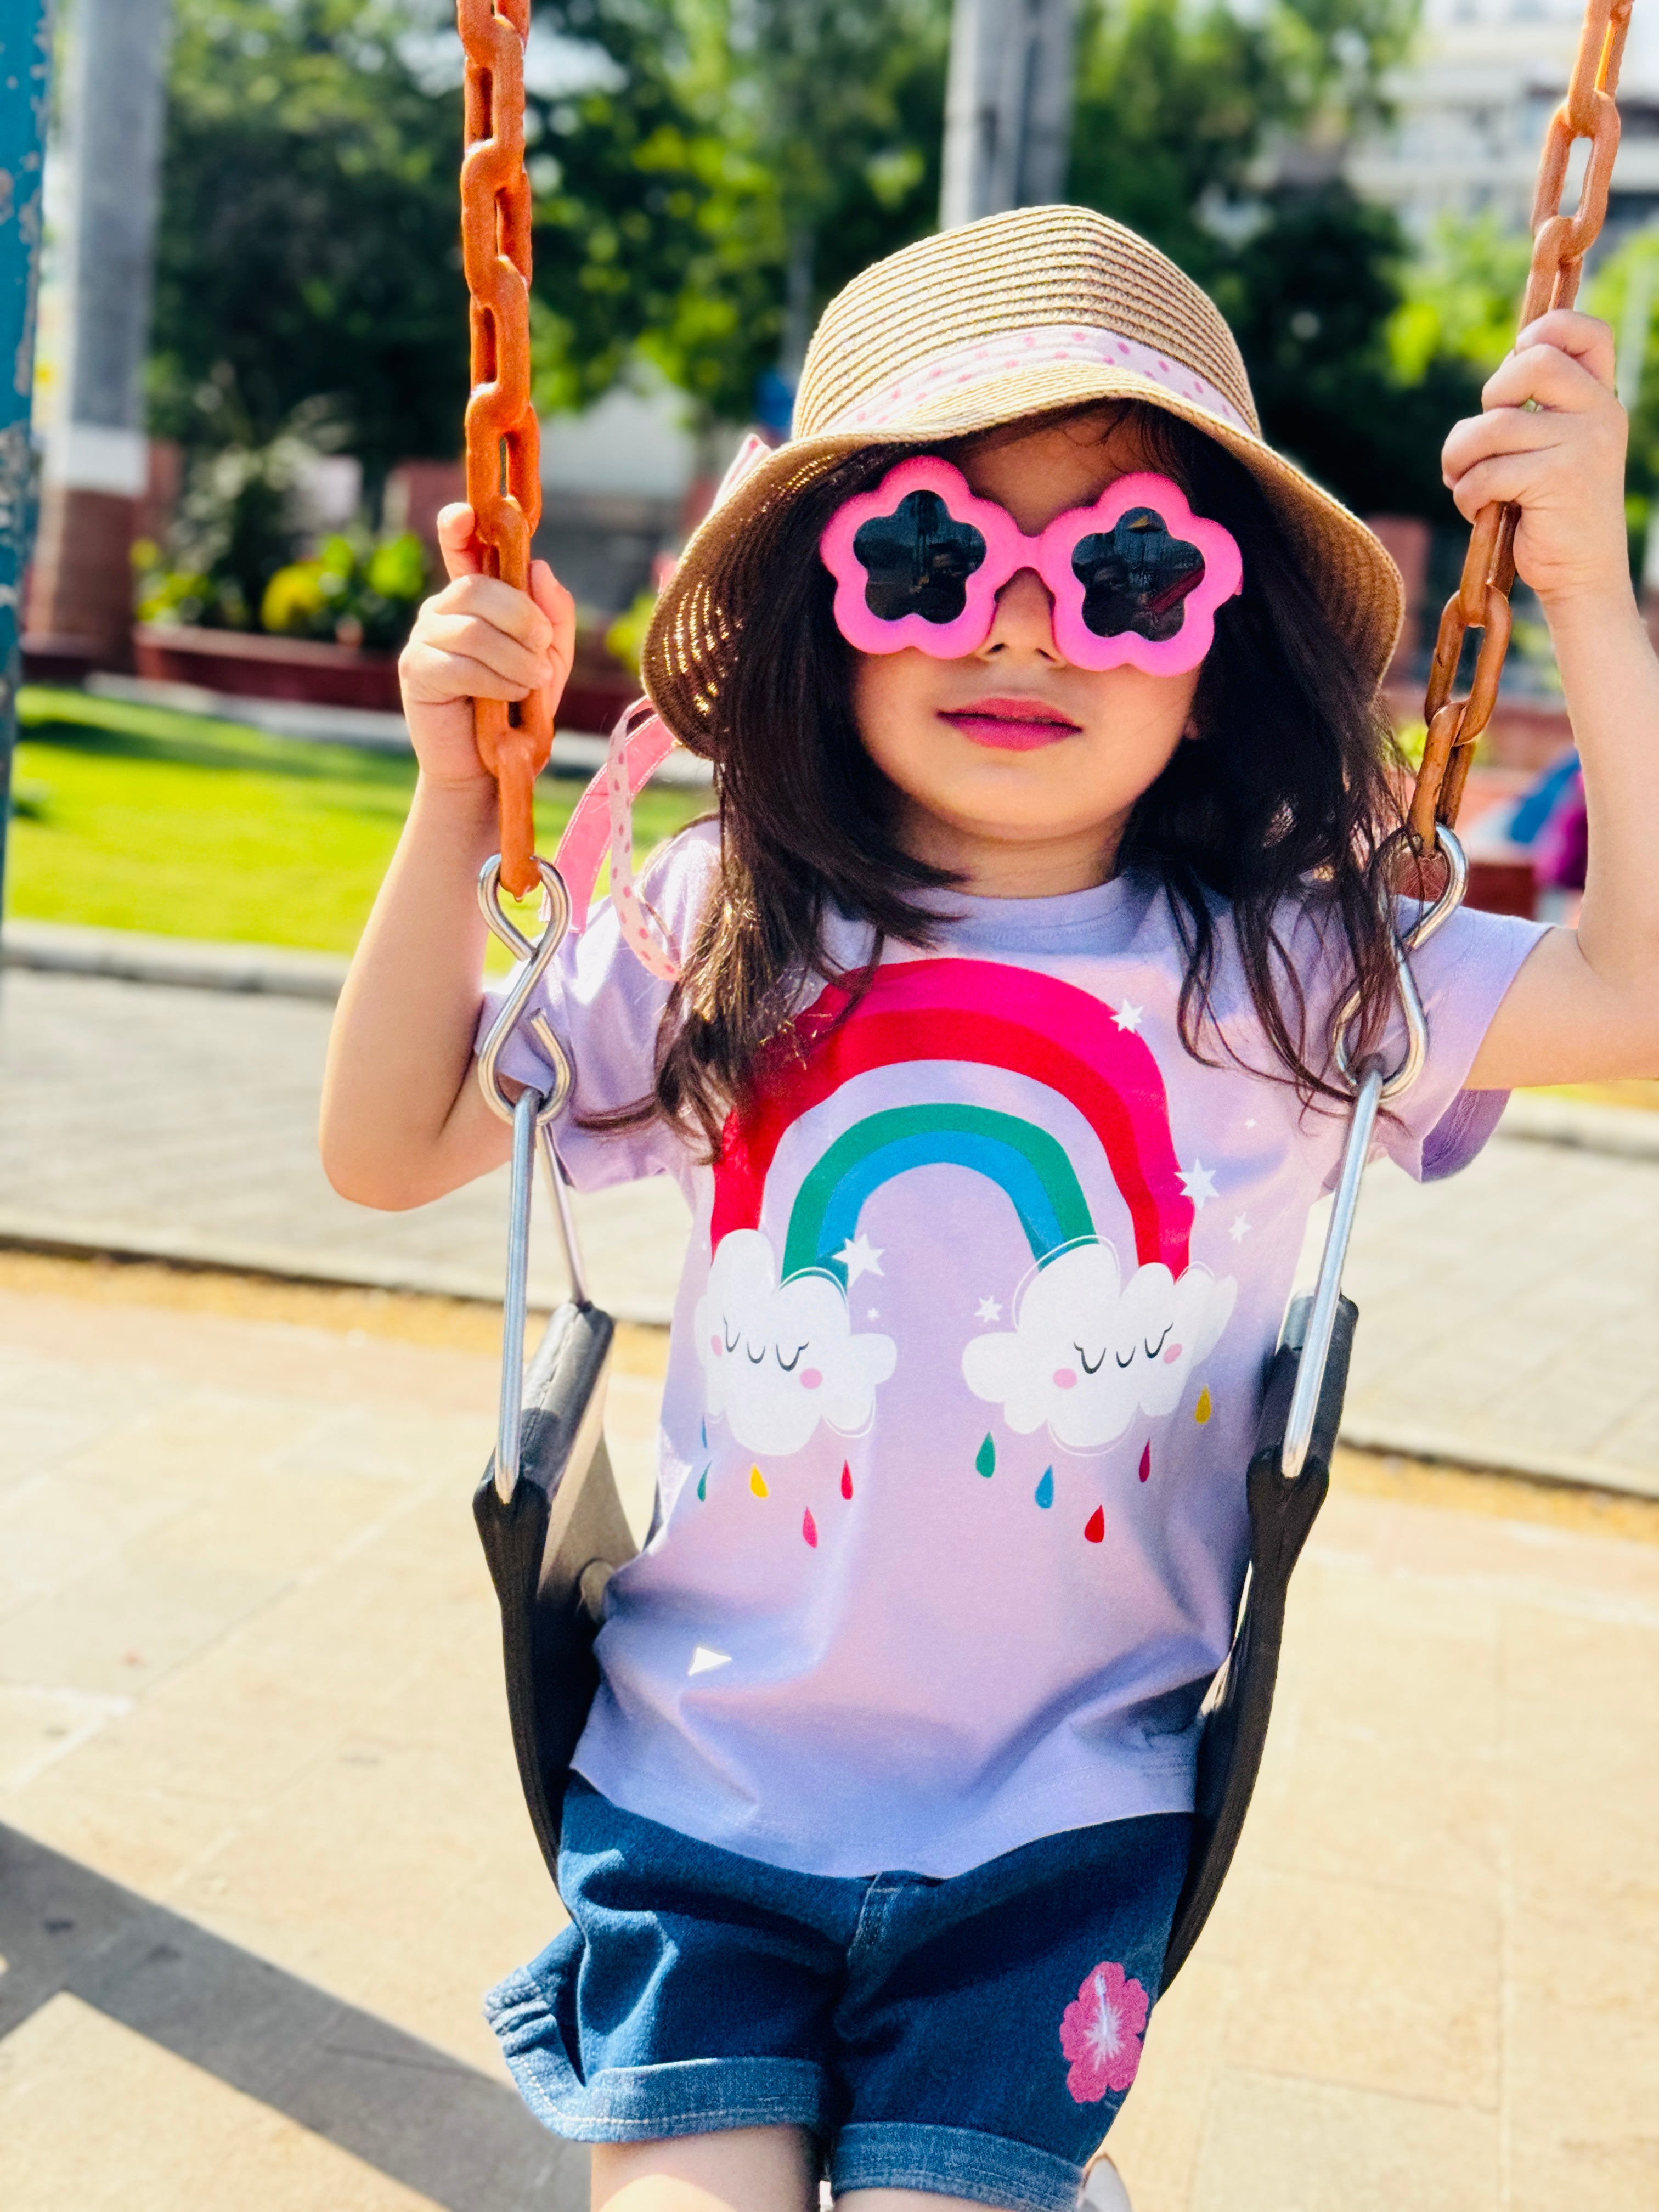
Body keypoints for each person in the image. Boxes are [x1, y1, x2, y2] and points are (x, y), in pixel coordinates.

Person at [320, 207, 1659, 2212]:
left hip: (1061, 1828)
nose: (1019, 627)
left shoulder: (1286, 971)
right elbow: (389, 1140)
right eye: (934, 556)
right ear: (820, 615)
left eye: (1124, 570)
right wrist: (452, 792)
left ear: (1211, 663)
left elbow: (1634, 989)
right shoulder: (723, 925)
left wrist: (1590, 594)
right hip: (697, 1794)